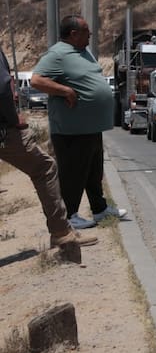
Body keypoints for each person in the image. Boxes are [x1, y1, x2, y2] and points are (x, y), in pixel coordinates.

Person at [0, 47, 97, 262]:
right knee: (44, 168)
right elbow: (3, 88)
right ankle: (62, 233)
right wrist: (13, 120)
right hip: (4, 132)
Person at [31, 15, 126, 229]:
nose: (90, 35)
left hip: (90, 126)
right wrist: (64, 90)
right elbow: (37, 80)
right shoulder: (57, 54)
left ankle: (100, 209)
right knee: (73, 173)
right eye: (86, 31)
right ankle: (69, 216)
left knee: (94, 171)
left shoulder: (84, 52)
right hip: (71, 129)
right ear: (73, 34)